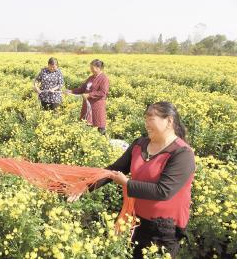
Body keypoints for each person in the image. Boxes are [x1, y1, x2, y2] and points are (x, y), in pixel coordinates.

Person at [68, 102, 196, 259]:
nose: (146, 123)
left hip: (165, 228)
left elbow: (164, 191)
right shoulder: (140, 144)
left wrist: (126, 184)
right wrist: (85, 186)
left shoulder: (182, 153)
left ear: (169, 121)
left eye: (151, 119)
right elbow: (115, 169)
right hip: (136, 219)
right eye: (145, 119)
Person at [66, 59, 109, 135]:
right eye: (91, 68)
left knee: (99, 126)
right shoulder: (91, 77)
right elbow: (82, 89)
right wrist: (71, 91)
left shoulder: (104, 78)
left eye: (93, 68)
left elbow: (103, 92)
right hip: (87, 105)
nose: (91, 70)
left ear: (99, 68)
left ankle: (103, 143)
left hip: (97, 106)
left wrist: (89, 95)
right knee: (87, 125)